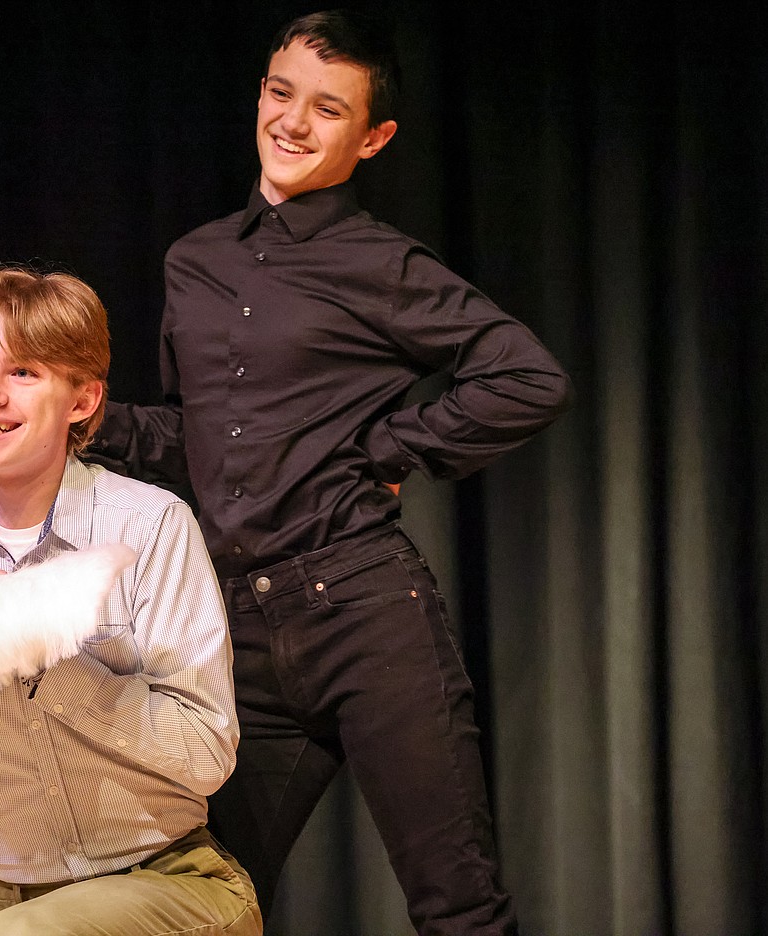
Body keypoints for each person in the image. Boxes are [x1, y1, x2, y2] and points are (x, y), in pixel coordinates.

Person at [90, 8, 573, 935]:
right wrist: (77, 422)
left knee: (458, 908)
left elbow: (529, 378)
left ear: (373, 136)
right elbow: (195, 438)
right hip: (238, 634)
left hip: (365, 617)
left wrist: (389, 448)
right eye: (281, 93)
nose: (293, 122)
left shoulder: (380, 263)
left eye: (327, 108)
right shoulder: (193, 260)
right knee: (188, 904)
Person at [0, 264, 262, 936]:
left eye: (23, 373)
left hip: (172, 885)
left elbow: (207, 754)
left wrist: (49, 662)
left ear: (81, 401)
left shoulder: (149, 525)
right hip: (5, 904)